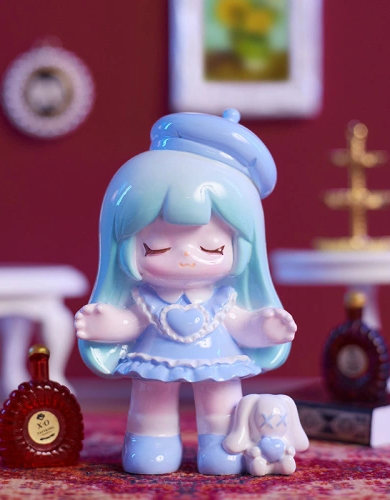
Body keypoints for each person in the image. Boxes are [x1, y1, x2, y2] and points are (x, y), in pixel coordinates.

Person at [76, 108, 296, 475]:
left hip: (217, 359)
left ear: (242, 248)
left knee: (221, 400)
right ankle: (149, 443)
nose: (187, 258)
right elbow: (132, 321)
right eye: (156, 248)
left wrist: (263, 327)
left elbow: (240, 324)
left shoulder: (223, 300)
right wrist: (108, 325)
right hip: (154, 358)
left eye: (211, 248)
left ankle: (222, 446)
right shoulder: (146, 300)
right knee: (152, 399)